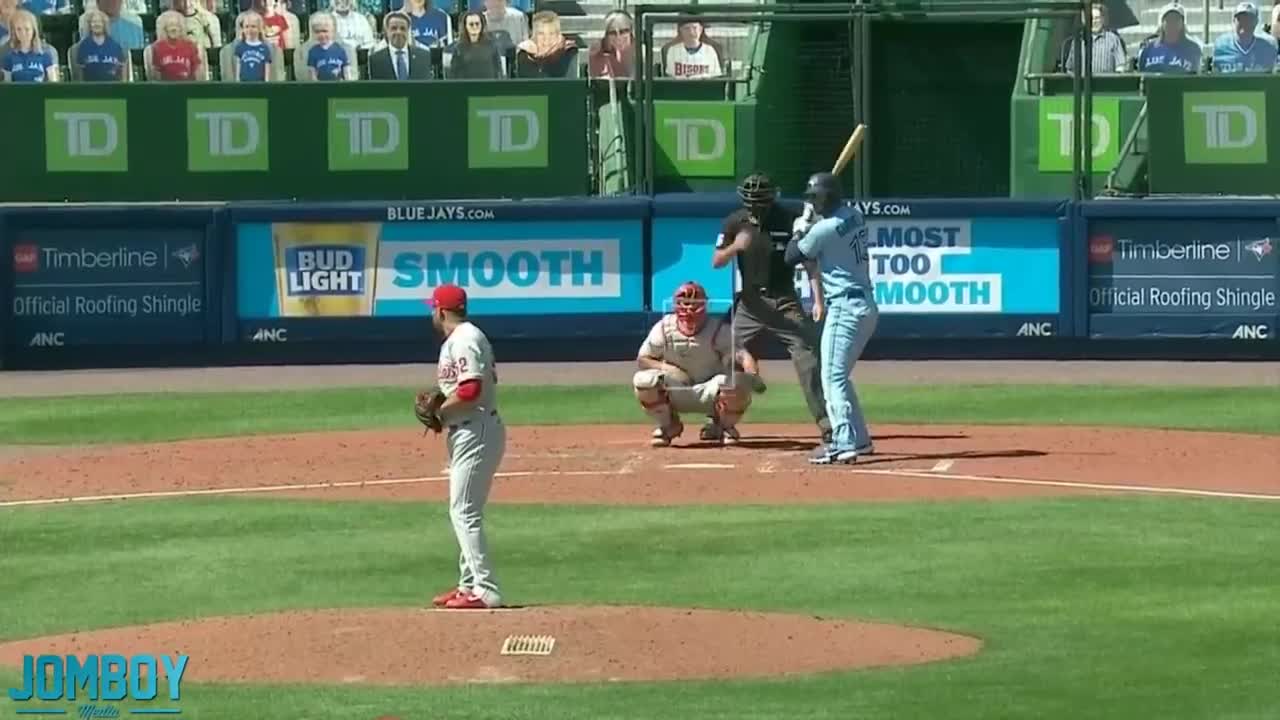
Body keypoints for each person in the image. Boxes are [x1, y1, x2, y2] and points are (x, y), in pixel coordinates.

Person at [711, 172, 833, 445]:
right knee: (725, 353)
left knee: (807, 356)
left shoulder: (790, 218)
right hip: (750, 303)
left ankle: (826, 421)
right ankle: (718, 420)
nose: (756, 209)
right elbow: (716, 261)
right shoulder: (734, 221)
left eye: (761, 203)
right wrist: (735, 247)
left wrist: (818, 299)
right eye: (751, 203)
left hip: (784, 300)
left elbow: (810, 262)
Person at [418, 284, 507, 611]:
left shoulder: (465, 339)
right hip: (469, 429)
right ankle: (468, 584)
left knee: (463, 511)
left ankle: (485, 590)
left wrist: (439, 411)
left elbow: (470, 389)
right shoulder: (461, 339)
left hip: (476, 429)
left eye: (432, 308)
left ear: (440, 310)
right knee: (466, 509)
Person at [784, 173, 878, 465]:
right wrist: (811, 223)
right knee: (838, 376)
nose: (813, 202)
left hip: (845, 308)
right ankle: (859, 439)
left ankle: (843, 442)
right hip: (864, 305)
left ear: (828, 198)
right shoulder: (855, 215)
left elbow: (791, 255)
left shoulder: (824, 229)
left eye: (816, 197)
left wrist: (800, 228)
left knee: (831, 377)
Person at [632, 281, 765, 447]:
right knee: (643, 380)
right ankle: (668, 425)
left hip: (711, 391)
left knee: (736, 382)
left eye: (695, 304)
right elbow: (643, 359)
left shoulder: (718, 329)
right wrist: (668, 369)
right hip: (677, 389)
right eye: (685, 304)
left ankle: (722, 424)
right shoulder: (663, 328)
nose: (690, 309)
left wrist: (752, 376)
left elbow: (743, 356)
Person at [1212, 1, 1278, 72]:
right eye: (1240, 19)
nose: (1244, 23)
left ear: (1256, 22)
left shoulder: (1267, 48)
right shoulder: (1221, 46)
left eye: (1249, 19)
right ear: (1234, 21)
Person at [1137, 3, 1202, 73]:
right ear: (1162, 23)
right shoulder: (1148, 48)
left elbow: (1195, 77)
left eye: (1176, 20)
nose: (1172, 24)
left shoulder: (1193, 49)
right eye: (1169, 20)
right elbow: (1141, 74)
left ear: (1183, 24)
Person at [1063, 4, 1127, 73]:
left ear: (1103, 19)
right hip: (1083, 83)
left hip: (1107, 83)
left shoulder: (1113, 39)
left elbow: (1120, 66)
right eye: (1091, 18)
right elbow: (1070, 69)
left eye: (1097, 18)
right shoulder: (1078, 41)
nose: (1094, 21)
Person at [368, 10, 432, 79]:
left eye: (403, 28)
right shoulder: (375, 59)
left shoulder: (424, 56)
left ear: (408, 31)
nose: (398, 32)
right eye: (394, 28)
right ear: (386, 31)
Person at [514, 10, 576, 77]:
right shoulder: (525, 53)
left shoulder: (569, 51)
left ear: (558, 35)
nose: (546, 39)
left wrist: (537, 59)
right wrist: (531, 55)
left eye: (551, 34)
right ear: (534, 36)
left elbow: (556, 77)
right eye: (541, 34)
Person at [1, 9, 58, 81]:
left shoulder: (46, 55)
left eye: (27, 29)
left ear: (33, 30)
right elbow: (7, 86)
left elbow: (53, 84)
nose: (23, 33)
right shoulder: (8, 57)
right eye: (19, 29)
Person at [661, 14, 724, 78]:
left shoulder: (710, 50)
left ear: (701, 29)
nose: (691, 32)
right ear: (680, 30)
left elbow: (716, 78)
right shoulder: (673, 51)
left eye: (694, 28)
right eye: (686, 29)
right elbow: (670, 78)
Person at [76, 9, 128, 80]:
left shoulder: (115, 46)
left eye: (99, 22)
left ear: (104, 24)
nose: (96, 24)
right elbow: (79, 73)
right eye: (94, 22)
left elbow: (122, 70)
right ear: (90, 25)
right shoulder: (84, 46)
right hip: (90, 88)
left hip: (113, 87)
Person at [150, 9, 203, 79]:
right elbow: (155, 73)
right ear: (165, 29)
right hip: (165, 88)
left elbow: (197, 70)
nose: (173, 29)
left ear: (181, 28)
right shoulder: (157, 48)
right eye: (170, 25)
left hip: (188, 87)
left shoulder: (191, 46)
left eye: (176, 26)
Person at [449, 10, 502, 77]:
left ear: (482, 25)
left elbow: (498, 71)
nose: (474, 27)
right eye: (471, 24)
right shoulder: (458, 48)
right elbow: (453, 74)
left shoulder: (492, 46)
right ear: (465, 26)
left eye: (477, 24)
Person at [588, 10, 633, 78]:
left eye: (623, 31)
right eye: (612, 33)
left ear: (631, 32)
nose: (618, 37)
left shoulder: (641, 52)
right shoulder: (598, 54)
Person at [306, 12, 351, 80]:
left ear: (333, 31)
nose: (321, 34)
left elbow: (346, 71)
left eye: (325, 31)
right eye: (317, 32)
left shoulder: (340, 50)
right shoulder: (313, 52)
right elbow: (312, 74)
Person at [232, 10, 272, 80]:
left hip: (260, 86)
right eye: (247, 26)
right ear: (243, 29)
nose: (250, 30)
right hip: (244, 85)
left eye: (253, 26)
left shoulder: (265, 48)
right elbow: (238, 67)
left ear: (259, 28)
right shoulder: (240, 47)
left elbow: (267, 70)